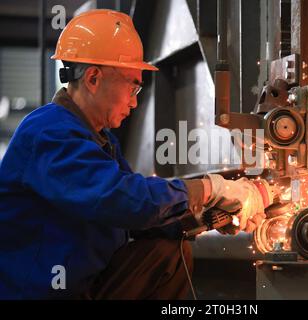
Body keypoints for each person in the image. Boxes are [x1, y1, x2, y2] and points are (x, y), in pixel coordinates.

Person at [0, 9, 269, 300]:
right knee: (162, 256)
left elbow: (140, 220)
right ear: (93, 78)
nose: (134, 101)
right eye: (133, 85)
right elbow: (123, 200)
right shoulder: (49, 133)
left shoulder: (100, 141)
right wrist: (210, 188)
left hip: (81, 287)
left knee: (163, 254)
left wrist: (207, 218)